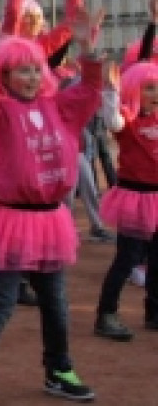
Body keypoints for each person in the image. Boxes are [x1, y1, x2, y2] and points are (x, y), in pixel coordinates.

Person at [0, 7, 103, 406]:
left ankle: (59, 368)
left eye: (37, 70)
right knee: (2, 303)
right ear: (4, 76)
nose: (32, 78)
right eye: (22, 71)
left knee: (55, 302)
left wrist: (90, 54)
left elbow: (89, 93)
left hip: (51, 219)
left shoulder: (59, 107)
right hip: (11, 220)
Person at [92, 60, 158, 341]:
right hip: (135, 197)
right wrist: (110, 92)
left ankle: (154, 312)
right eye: (150, 88)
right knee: (127, 258)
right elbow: (113, 121)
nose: (156, 94)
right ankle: (107, 313)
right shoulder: (129, 119)